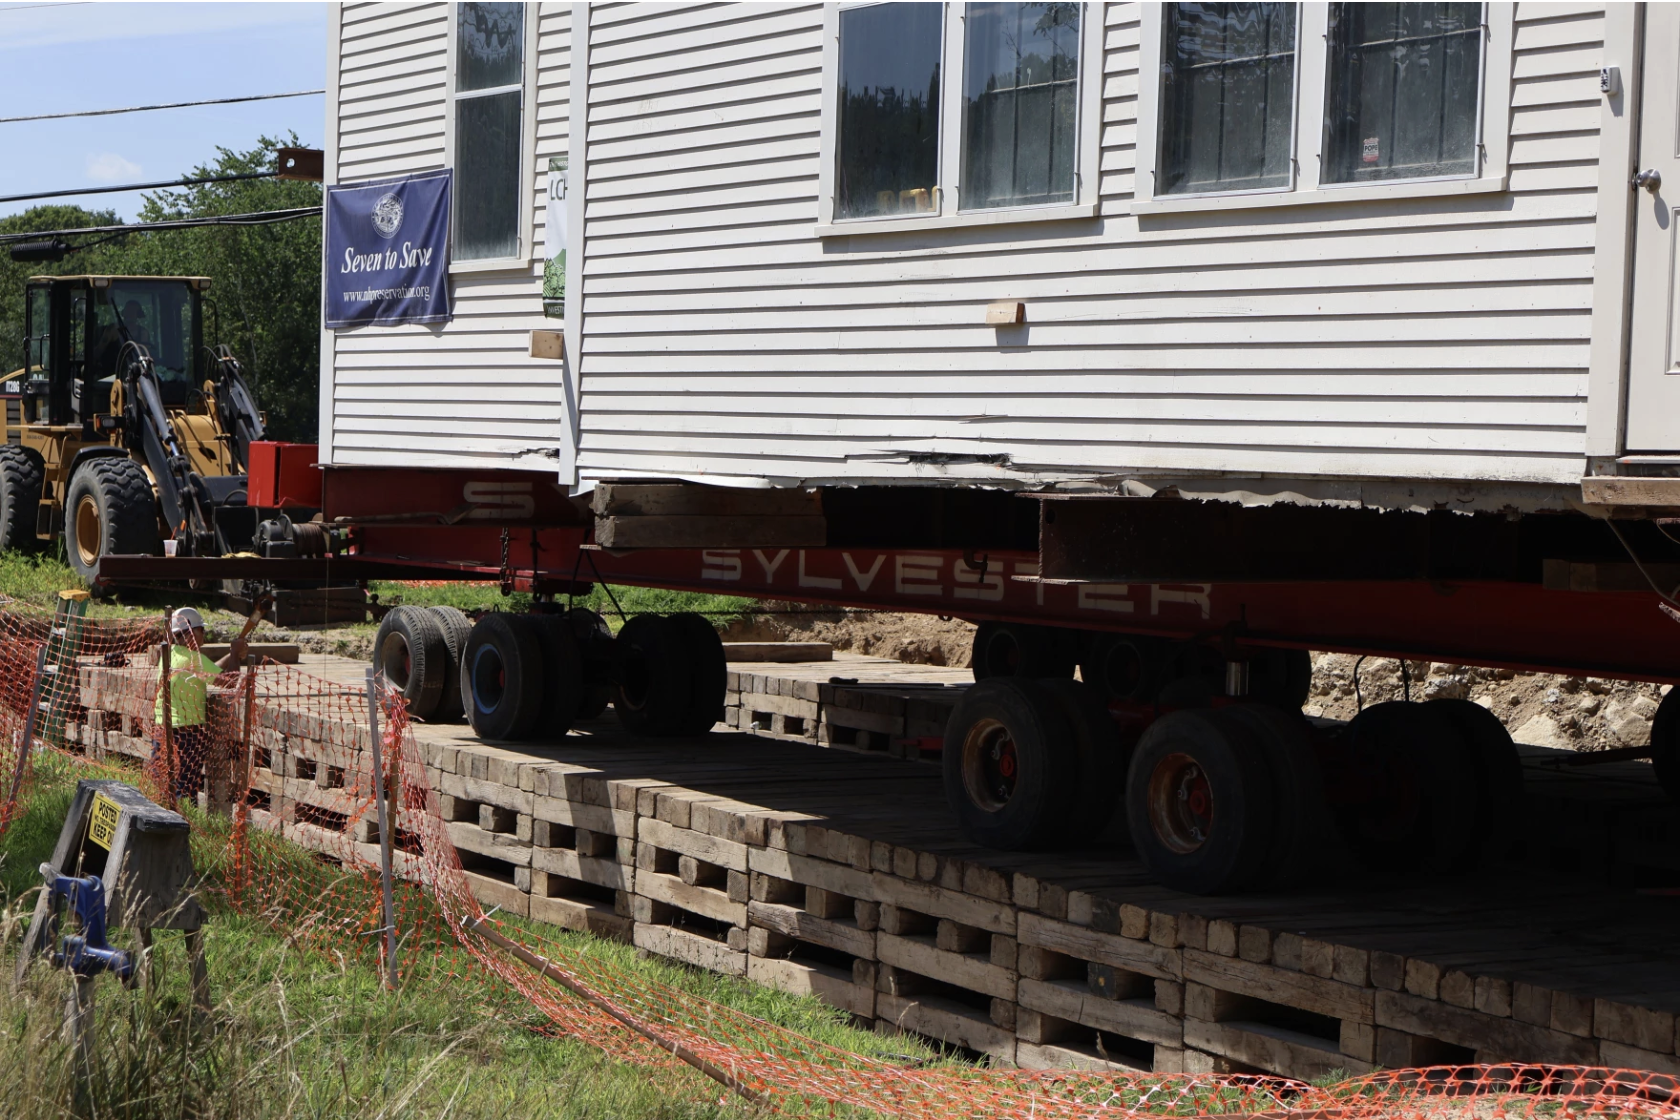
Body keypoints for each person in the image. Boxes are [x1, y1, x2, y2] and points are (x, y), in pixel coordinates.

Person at [154, 607, 248, 800]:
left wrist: (231, 656)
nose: (203, 635)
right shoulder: (194, 660)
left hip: (162, 729)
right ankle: (183, 824)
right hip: (186, 734)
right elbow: (229, 682)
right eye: (201, 630)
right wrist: (235, 653)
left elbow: (210, 672)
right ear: (189, 632)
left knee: (164, 785)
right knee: (185, 789)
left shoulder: (169, 653)